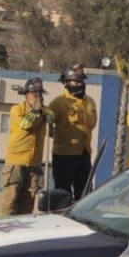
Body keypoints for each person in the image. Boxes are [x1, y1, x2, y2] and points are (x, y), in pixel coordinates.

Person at [1, 78, 55, 215]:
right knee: (10, 203)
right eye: (34, 94)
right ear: (26, 95)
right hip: (16, 164)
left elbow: (52, 125)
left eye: (40, 94)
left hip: (34, 165)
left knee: (27, 205)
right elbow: (25, 125)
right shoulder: (17, 110)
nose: (38, 97)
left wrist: (45, 113)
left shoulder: (44, 112)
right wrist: (36, 111)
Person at [48, 64, 97, 202]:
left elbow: (91, 124)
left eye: (82, 81)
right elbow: (46, 122)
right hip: (64, 156)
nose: (80, 84)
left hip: (84, 154)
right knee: (63, 195)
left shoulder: (90, 102)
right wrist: (54, 133)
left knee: (85, 195)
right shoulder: (58, 103)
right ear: (67, 83)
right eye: (76, 81)